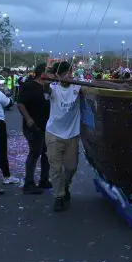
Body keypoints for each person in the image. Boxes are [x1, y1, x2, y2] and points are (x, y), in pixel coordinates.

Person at [42, 62, 82, 212]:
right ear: (58, 75)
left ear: (72, 72)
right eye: (62, 74)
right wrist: (47, 80)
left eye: (68, 73)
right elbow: (46, 89)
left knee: (71, 167)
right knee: (56, 168)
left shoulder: (78, 87)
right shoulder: (53, 88)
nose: (66, 76)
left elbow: (92, 89)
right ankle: (58, 196)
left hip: (72, 135)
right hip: (53, 134)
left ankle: (64, 186)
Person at [17, 63, 52, 194]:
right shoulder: (29, 86)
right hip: (33, 126)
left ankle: (44, 180)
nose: (52, 75)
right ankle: (29, 183)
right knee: (34, 152)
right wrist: (28, 118)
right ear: (43, 73)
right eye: (50, 72)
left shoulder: (48, 88)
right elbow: (20, 103)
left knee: (46, 154)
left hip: (47, 126)